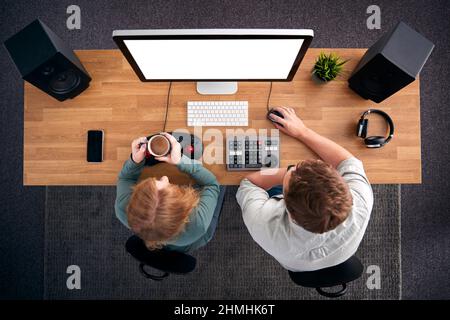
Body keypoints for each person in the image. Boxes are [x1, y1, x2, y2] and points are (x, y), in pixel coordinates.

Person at [236, 107, 374, 271]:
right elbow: (347, 161)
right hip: (338, 254)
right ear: (343, 185)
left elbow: (249, 183)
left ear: (285, 202)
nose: (295, 166)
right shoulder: (360, 200)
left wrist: (286, 173)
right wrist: (302, 132)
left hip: (296, 263)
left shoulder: (263, 224)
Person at [115, 132, 221, 252]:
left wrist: (135, 161)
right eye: (168, 185)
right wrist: (181, 161)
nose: (165, 177)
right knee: (220, 183)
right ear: (183, 207)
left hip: (152, 238)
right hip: (190, 240)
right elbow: (211, 184)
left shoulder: (122, 209)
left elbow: (125, 178)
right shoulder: (198, 223)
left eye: (155, 181)